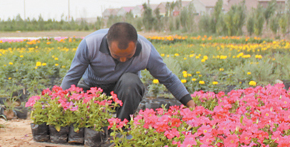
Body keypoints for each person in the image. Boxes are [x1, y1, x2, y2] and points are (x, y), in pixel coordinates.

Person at [60, 22, 195, 120]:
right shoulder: (90, 44)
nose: (123, 60)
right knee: (75, 95)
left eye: (129, 56)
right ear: (108, 43)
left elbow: (168, 79)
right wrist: (59, 102)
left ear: (136, 44)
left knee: (131, 82)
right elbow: (72, 77)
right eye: (117, 56)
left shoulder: (147, 51)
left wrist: (192, 106)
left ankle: (122, 126)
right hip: (92, 89)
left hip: (123, 91)